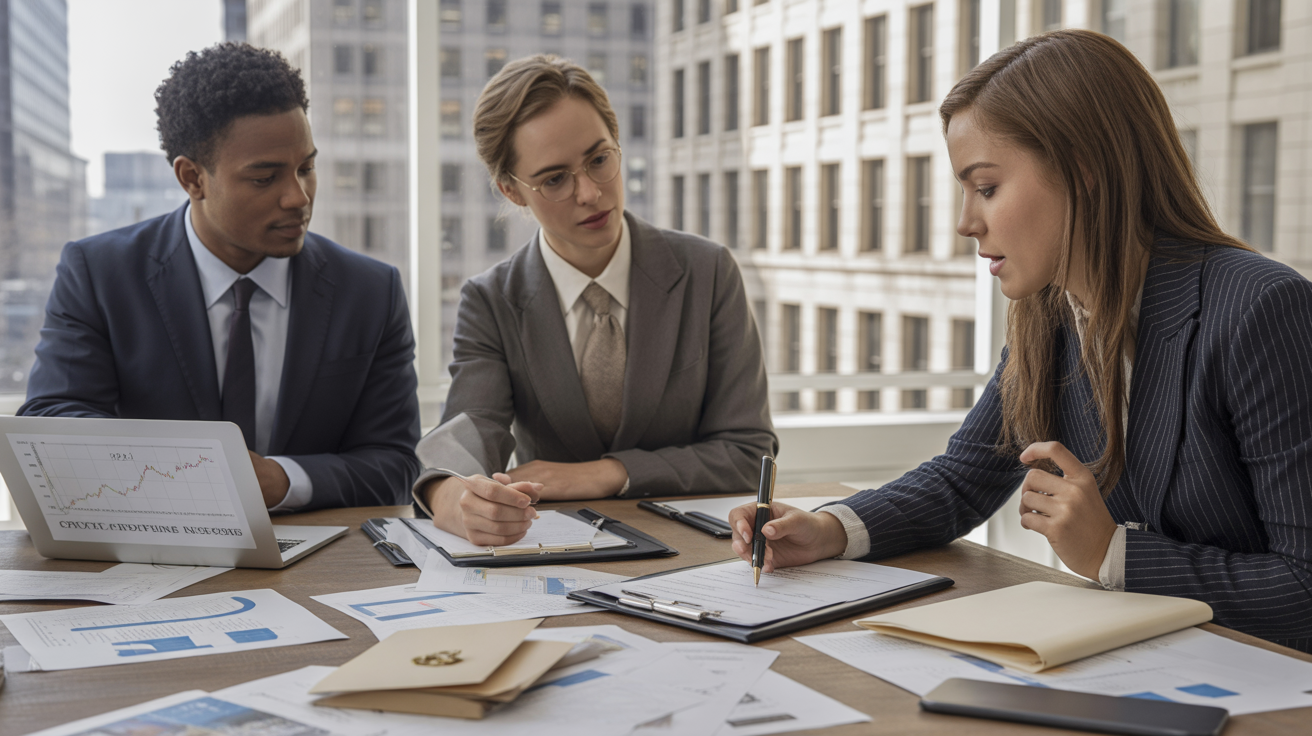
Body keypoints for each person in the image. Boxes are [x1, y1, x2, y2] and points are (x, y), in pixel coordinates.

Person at [730, 29, 1312, 653]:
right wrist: (829, 528)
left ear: (1083, 171)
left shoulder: (1261, 307)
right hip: (1143, 662)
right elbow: (964, 477)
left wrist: (1112, 553)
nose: (964, 222)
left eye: (986, 188)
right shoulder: (1052, 313)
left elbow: (1303, 587)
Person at [20, 43, 421, 511]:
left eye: (306, 168)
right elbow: (55, 425)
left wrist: (284, 480)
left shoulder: (371, 292)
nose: (298, 197)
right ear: (193, 178)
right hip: (155, 557)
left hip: (321, 567)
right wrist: (195, 474)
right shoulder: (100, 274)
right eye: (265, 178)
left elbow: (395, 465)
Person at [413, 55, 776, 545]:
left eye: (599, 159)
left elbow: (747, 453)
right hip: (557, 553)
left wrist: (605, 472)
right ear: (511, 190)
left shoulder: (707, 272)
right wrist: (450, 498)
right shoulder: (491, 300)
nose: (590, 192)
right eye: (555, 179)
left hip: (697, 551)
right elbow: (467, 440)